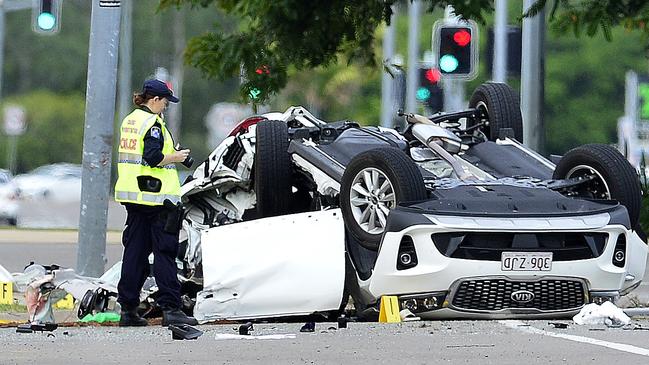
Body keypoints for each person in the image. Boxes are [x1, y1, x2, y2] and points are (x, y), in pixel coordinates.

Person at [114, 79, 197, 327]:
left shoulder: (131, 120)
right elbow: (152, 158)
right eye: (165, 102)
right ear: (155, 100)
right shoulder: (152, 123)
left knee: (135, 253)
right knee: (165, 253)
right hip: (157, 199)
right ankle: (171, 309)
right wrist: (177, 157)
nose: (166, 107)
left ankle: (128, 310)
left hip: (134, 198)